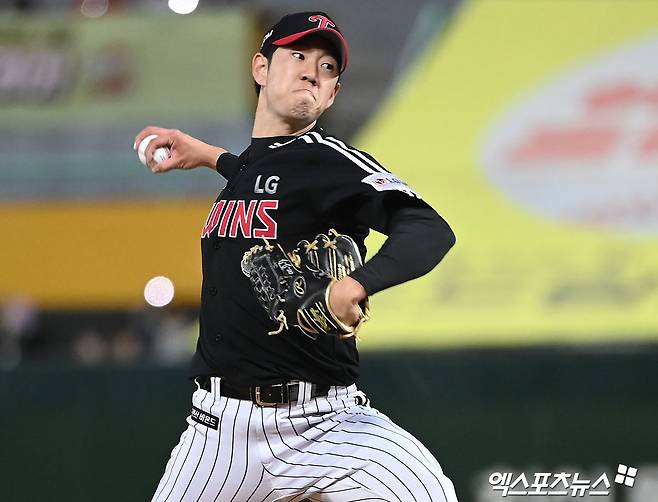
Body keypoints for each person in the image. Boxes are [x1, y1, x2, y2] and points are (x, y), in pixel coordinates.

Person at [135, 11, 458, 502]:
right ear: (261, 68)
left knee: (428, 494)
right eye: (298, 55)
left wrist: (358, 283)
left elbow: (428, 227)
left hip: (322, 424)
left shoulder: (328, 160)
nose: (313, 70)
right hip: (216, 433)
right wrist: (209, 156)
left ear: (332, 96)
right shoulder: (253, 169)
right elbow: (266, 175)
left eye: (329, 68)